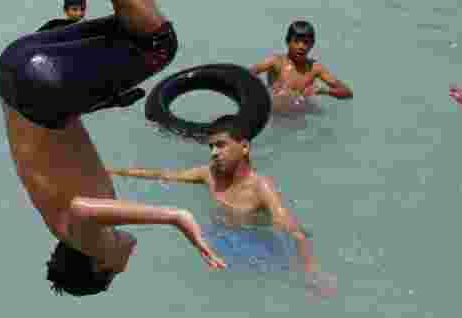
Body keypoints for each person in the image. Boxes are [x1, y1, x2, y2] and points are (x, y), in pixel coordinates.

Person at [0, 0, 226, 298]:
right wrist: (99, 101)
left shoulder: (85, 238)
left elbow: (83, 209)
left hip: (40, 91)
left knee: (159, 44)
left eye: (117, 273)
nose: (125, 264)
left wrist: (175, 216)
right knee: (137, 21)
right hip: (17, 73)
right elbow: (47, 149)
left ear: (101, 267)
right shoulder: (56, 218)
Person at [107, 115, 336, 297]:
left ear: (244, 147)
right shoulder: (209, 174)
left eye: (221, 145)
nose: (214, 153)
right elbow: (164, 175)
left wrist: (312, 271)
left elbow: (291, 229)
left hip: (256, 244)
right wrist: (115, 171)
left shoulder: (260, 186)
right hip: (217, 238)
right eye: (211, 147)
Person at [249, 21, 353, 112]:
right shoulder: (275, 62)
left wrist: (324, 91)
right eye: (296, 41)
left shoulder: (315, 68)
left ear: (312, 44)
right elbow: (245, 75)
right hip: (276, 116)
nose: (301, 46)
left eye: (306, 42)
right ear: (288, 41)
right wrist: (259, 92)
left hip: (301, 117)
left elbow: (347, 92)